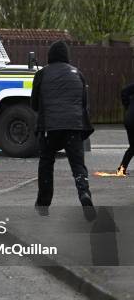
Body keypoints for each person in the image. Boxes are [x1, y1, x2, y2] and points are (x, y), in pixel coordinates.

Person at [31, 40, 94, 207]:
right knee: (78, 164)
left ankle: (43, 203)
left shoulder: (42, 74)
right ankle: (84, 192)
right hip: (74, 127)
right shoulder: (78, 73)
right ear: (67, 56)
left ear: (50, 56)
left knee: (46, 162)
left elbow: (34, 104)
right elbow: (84, 103)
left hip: (49, 128)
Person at [118, 82, 134, 174]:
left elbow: (124, 91)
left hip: (129, 118)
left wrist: (127, 106)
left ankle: (121, 169)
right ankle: (121, 169)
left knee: (133, 147)